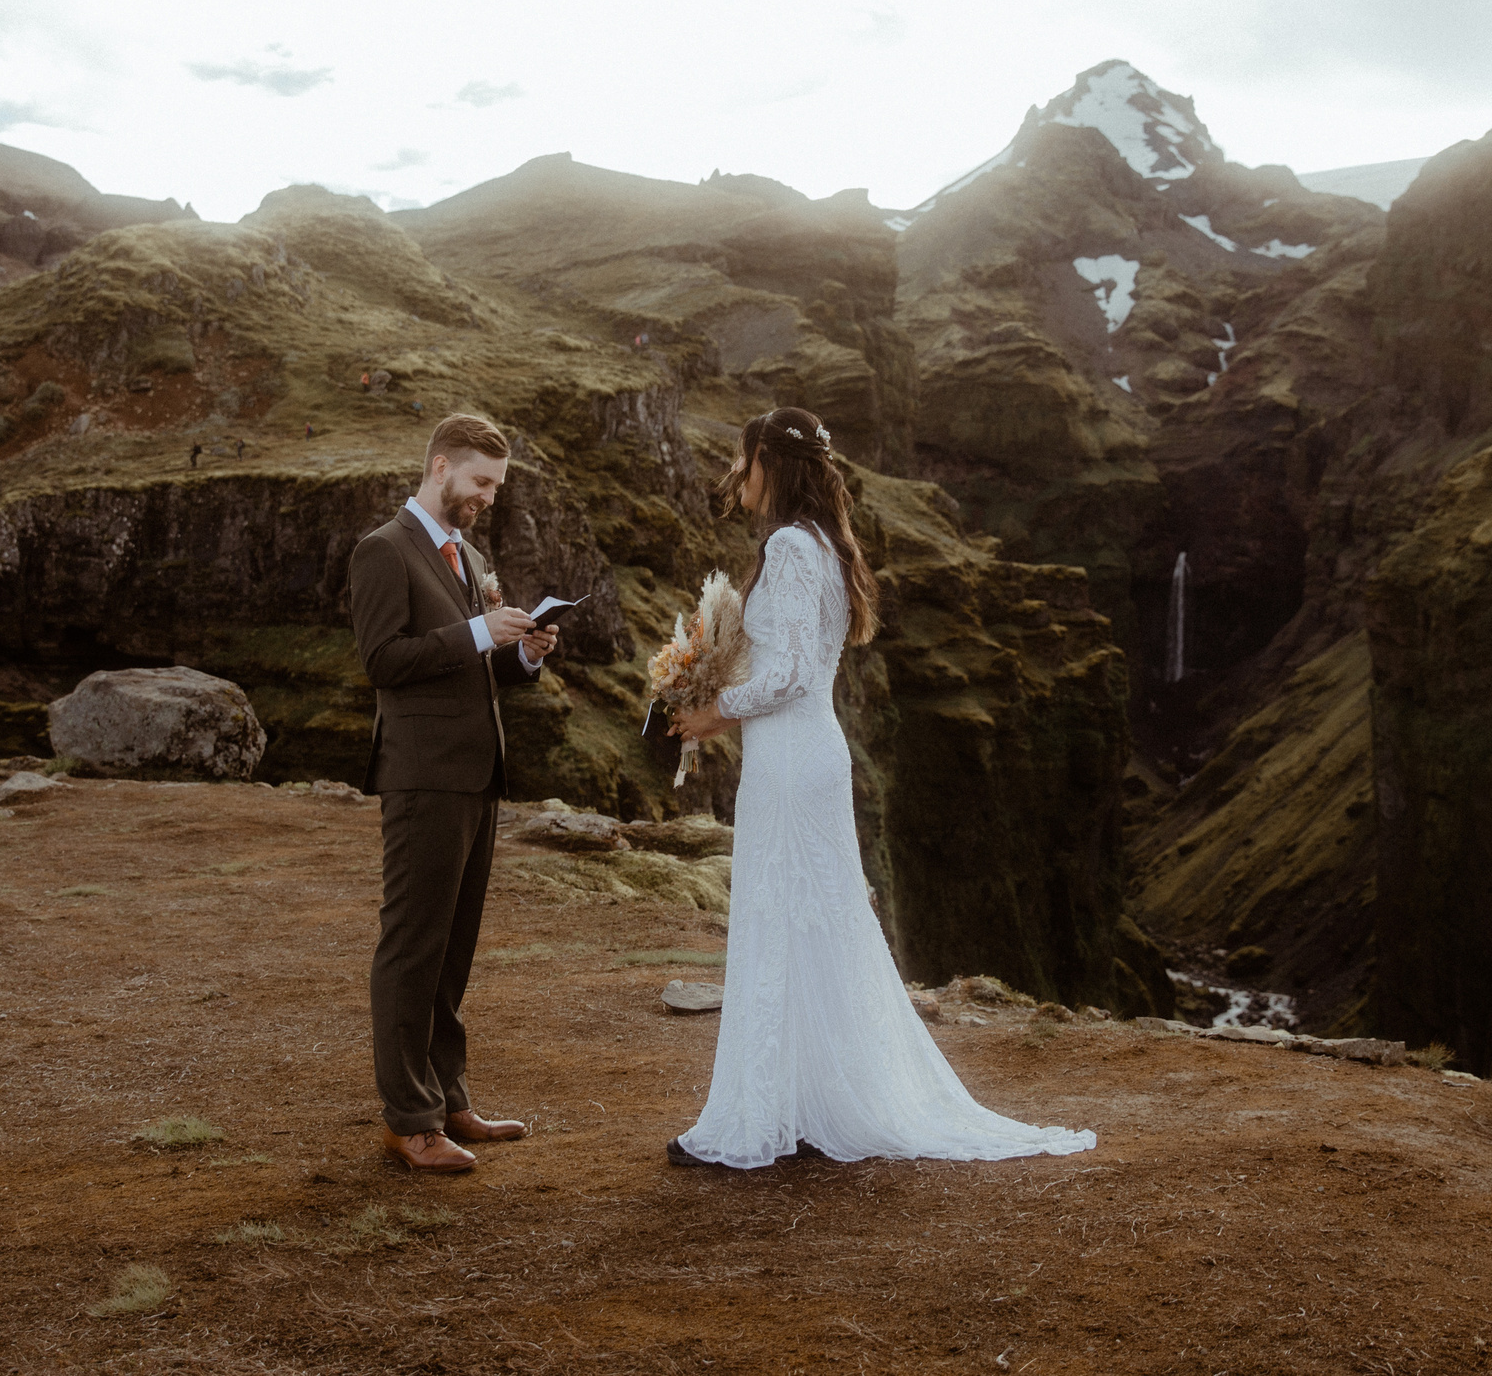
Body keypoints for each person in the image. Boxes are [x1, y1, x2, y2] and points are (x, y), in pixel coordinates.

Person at [666, 407, 1097, 1170]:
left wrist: (712, 710)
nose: (738, 472)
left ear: (772, 462)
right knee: (811, 924)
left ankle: (764, 1118)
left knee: (781, 918)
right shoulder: (823, 544)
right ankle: (805, 1104)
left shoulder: (792, 547)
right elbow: (797, 665)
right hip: (805, 754)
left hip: (790, 763)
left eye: (746, 458)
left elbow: (789, 674)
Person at [347, 413, 561, 1173]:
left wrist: (522, 653)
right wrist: (478, 632)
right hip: (422, 775)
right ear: (440, 467)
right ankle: (409, 1120)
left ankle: (447, 1097)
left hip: (475, 774)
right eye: (481, 481)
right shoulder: (383, 550)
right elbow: (383, 660)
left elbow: (472, 667)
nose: (489, 497)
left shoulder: (466, 554)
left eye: (496, 486)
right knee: (413, 946)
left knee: (452, 949)